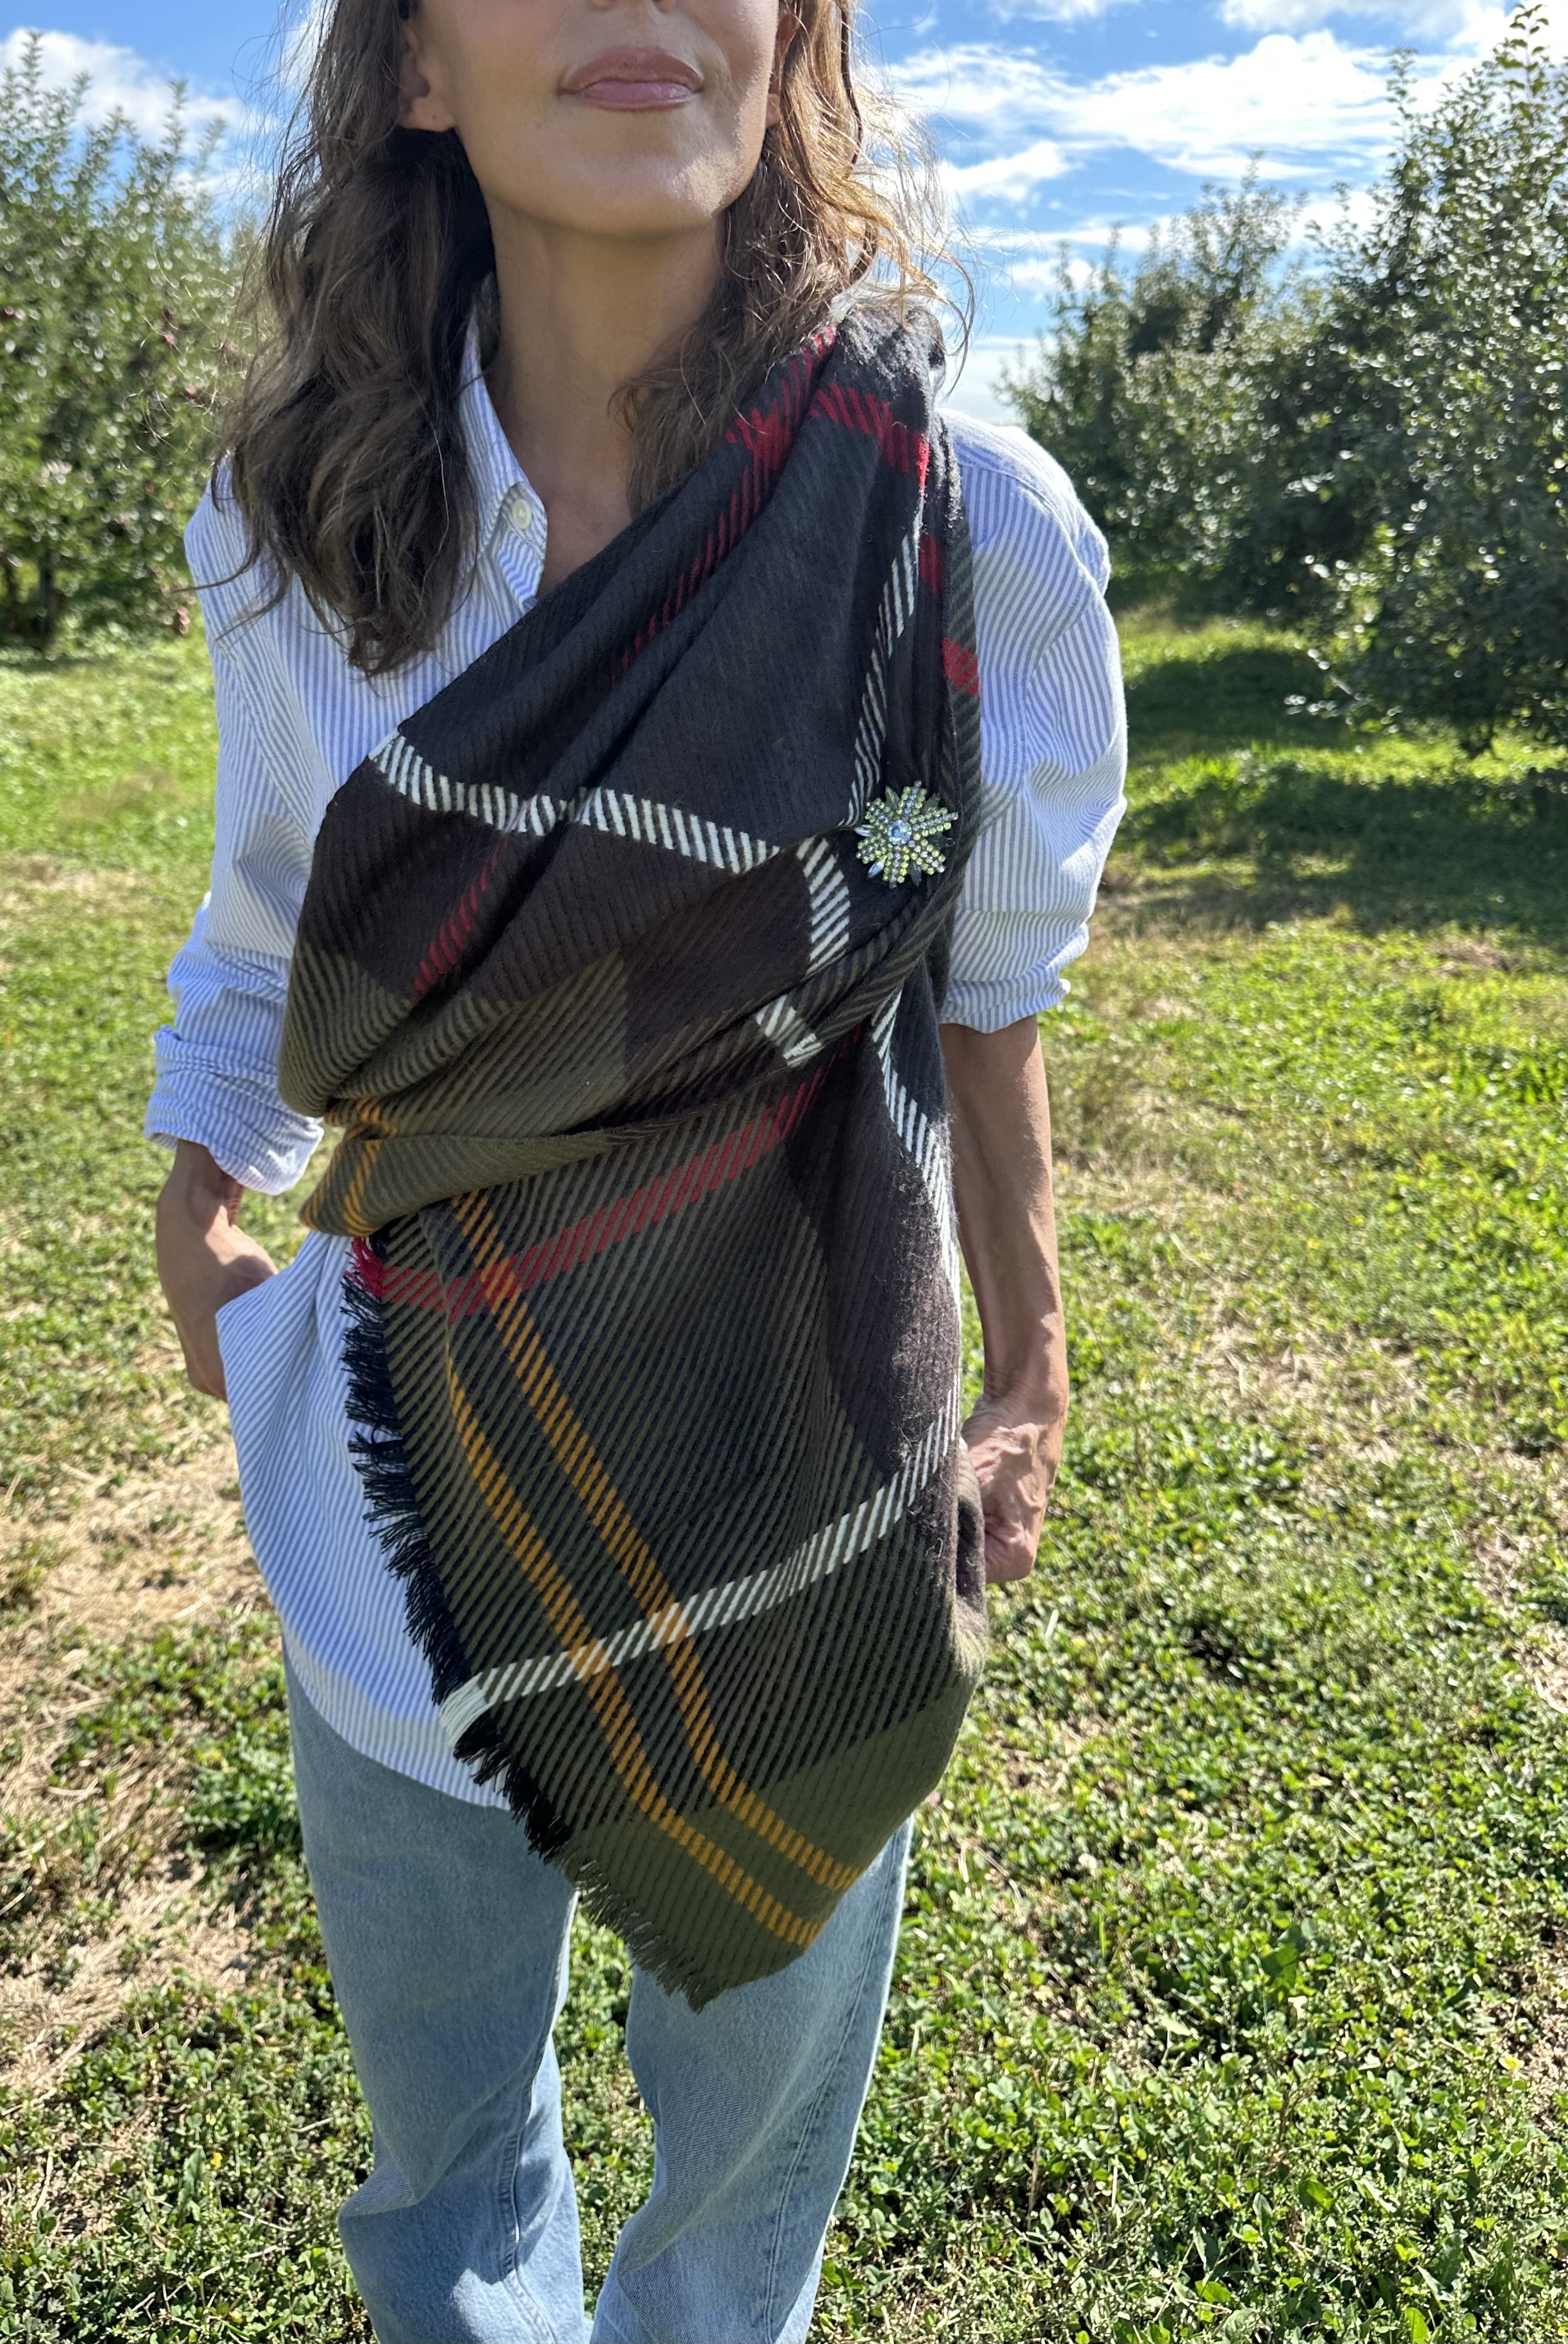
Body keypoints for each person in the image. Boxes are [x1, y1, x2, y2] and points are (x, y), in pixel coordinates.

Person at [149, 1, 1124, 2335]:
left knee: (733, 2218)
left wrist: (1036, 1366)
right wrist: (200, 1206)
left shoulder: (959, 526)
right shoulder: (295, 532)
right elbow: (266, 922)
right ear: (411, 75)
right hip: (401, 1534)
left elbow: (990, 996)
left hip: (795, 1520)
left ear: (786, 51)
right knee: (445, 2169)